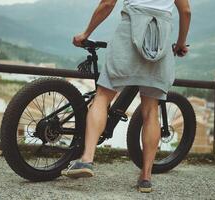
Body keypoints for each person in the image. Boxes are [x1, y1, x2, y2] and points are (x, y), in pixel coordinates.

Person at [61, 0, 191, 193]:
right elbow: (186, 11)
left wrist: (86, 34)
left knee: (103, 96)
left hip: (129, 35)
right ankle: (146, 177)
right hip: (159, 42)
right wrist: (180, 43)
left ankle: (87, 159)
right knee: (150, 110)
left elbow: (107, 4)